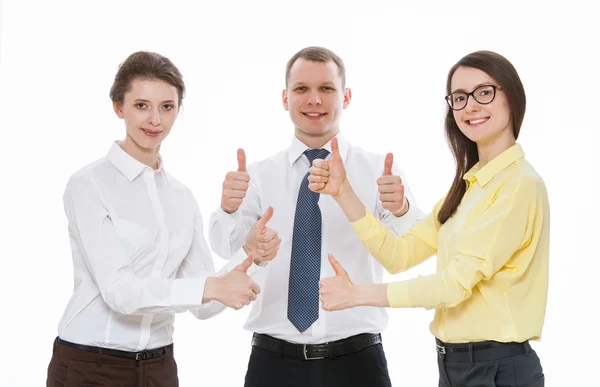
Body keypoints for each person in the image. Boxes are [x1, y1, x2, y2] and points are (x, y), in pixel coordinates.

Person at [310, 50, 549, 386]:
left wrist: (359, 294)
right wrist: (343, 192)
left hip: (496, 368)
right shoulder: (470, 186)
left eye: (484, 92)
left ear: (512, 96)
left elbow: (453, 287)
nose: (470, 106)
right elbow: (399, 255)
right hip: (455, 366)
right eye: (460, 98)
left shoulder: (519, 186)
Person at [46, 51, 276, 387]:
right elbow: (120, 293)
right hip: (89, 366)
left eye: (166, 107)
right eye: (141, 105)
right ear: (118, 107)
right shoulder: (88, 185)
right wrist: (210, 287)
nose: (155, 119)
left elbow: (204, 305)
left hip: (159, 367)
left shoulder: (181, 197)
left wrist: (251, 254)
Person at [209, 46, 423, 387]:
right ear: (285, 98)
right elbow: (225, 245)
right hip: (273, 362)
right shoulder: (259, 175)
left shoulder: (378, 170)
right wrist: (228, 210)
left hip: (358, 362)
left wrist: (402, 210)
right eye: (301, 89)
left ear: (346, 96)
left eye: (326, 88)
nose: (314, 100)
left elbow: (413, 247)